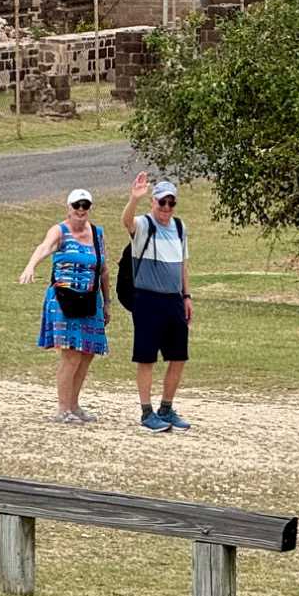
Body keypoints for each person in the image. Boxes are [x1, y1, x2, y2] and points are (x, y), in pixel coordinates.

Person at [19, 189, 110, 423]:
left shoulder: (97, 234)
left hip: (90, 299)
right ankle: (62, 409)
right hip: (63, 298)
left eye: (85, 205)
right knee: (71, 354)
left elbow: (103, 270)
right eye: (76, 205)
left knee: (87, 353)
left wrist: (107, 302)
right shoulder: (59, 230)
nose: (81, 210)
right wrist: (31, 265)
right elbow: (44, 247)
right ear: (68, 208)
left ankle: (74, 405)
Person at [121, 172, 192, 432]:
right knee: (146, 357)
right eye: (162, 202)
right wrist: (134, 199)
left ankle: (166, 408)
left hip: (174, 300)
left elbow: (183, 265)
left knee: (178, 356)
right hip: (147, 299)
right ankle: (146, 412)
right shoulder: (144, 224)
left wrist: (187, 296)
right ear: (154, 202)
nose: (166, 207)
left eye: (171, 203)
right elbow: (126, 222)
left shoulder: (180, 228)